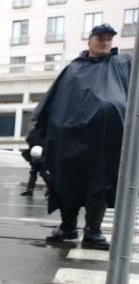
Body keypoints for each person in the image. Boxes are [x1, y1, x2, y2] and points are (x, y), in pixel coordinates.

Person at [33, 23, 131, 250]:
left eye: (108, 39)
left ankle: (93, 232)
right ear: (89, 42)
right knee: (68, 183)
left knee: (100, 185)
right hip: (71, 140)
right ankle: (68, 227)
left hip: (104, 142)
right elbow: (55, 101)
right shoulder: (73, 69)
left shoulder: (122, 64)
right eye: (100, 39)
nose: (105, 42)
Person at [20, 127, 50, 197]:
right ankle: (30, 189)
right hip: (37, 154)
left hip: (38, 154)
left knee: (38, 172)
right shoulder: (44, 131)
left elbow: (28, 140)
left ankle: (30, 189)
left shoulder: (37, 131)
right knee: (37, 172)